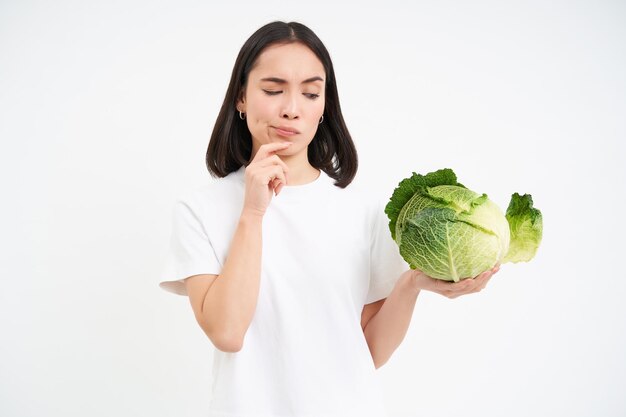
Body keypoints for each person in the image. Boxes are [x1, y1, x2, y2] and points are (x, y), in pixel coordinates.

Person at [158, 21, 499, 417]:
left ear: (324, 107)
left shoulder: (362, 210)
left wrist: (411, 284)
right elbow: (227, 332)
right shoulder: (201, 209)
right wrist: (253, 212)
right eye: (272, 90)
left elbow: (368, 351)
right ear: (241, 98)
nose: (291, 108)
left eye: (310, 93)